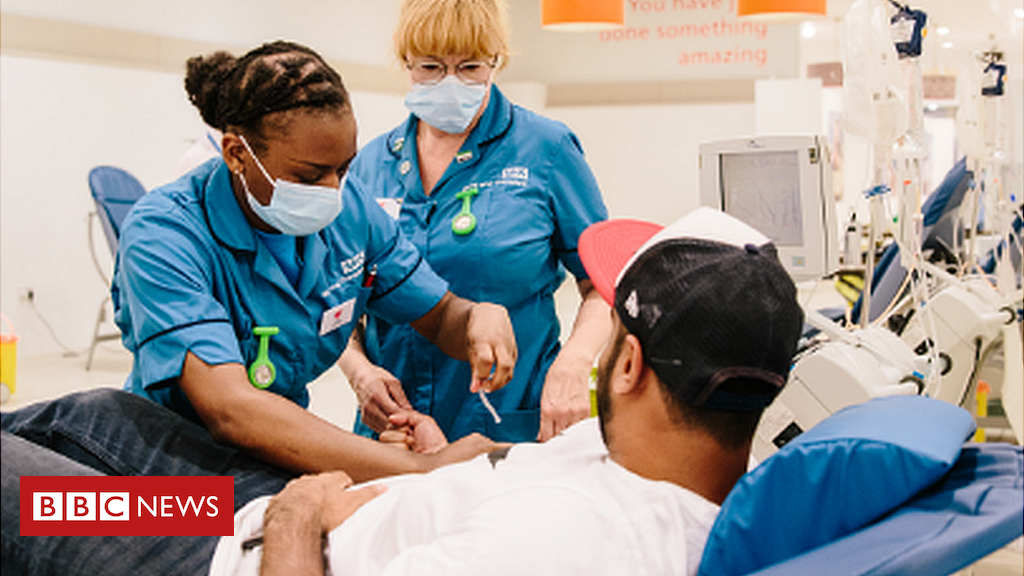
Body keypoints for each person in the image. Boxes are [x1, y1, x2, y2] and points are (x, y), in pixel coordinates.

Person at [2, 208, 805, 576]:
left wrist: (297, 516)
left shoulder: (560, 544)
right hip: (272, 513)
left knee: (30, 494)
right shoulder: (659, 458)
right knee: (95, 414)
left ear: (628, 369)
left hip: (224, 551)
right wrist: (446, 470)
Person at [111, 40, 516, 479]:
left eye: (343, 169)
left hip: (274, 454)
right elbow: (230, 409)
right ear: (236, 154)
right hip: (162, 470)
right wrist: (419, 468)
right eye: (308, 176)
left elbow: (438, 317)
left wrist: (477, 318)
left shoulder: (351, 212)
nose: (332, 191)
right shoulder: (164, 233)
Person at [339, 0, 611, 444]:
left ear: (495, 61)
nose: (450, 81)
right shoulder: (370, 165)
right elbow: (337, 296)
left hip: (506, 422)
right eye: (430, 67)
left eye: (469, 67)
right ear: (405, 62)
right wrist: (359, 372)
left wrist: (575, 362)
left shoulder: (546, 150)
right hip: (393, 432)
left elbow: (602, 284)